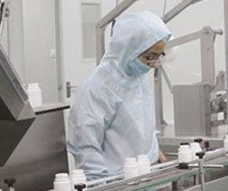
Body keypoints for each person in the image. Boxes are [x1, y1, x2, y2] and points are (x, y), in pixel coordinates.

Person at [68, 11, 171, 179]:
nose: (152, 64)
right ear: (128, 50)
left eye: (158, 56)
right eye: (149, 57)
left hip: (147, 176)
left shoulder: (137, 78)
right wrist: (101, 187)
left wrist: (157, 154)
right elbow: (86, 148)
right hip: (117, 183)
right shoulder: (96, 88)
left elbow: (142, 129)